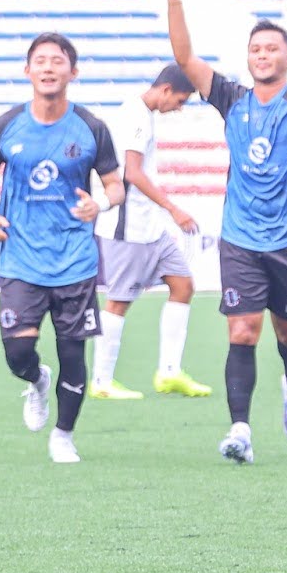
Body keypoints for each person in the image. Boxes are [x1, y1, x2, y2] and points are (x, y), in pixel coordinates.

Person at [164, 0, 287, 464]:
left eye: (272, 48)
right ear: (248, 57)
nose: (263, 55)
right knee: (242, 331)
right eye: (256, 49)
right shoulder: (231, 98)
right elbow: (185, 57)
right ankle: (240, 429)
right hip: (240, 238)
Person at [0, 33, 125, 464]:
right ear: (27, 71)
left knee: (73, 353)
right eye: (40, 60)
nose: (48, 67)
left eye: (57, 61)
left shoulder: (91, 127)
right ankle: (37, 380)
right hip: (21, 259)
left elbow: (116, 186)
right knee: (17, 353)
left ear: (72, 72)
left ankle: (63, 435)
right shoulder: (6, 125)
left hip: (75, 260)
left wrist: (100, 203)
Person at [88, 64, 212, 401]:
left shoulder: (142, 113)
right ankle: (101, 380)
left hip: (149, 227)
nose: (179, 108)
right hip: (127, 226)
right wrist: (173, 209)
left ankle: (169, 372)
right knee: (119, 301)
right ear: (167, 90)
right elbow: (132, 173)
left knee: (182, 284)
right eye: (181, 100)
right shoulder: (135, 115)